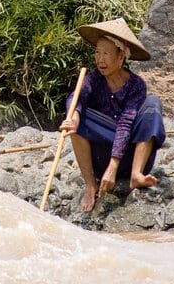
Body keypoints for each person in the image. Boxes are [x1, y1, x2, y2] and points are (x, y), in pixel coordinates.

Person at [59, 18, 166, 212]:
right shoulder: (93, 79)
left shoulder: (136, 85)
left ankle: (136, 175)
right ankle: (90, 184)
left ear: (121, 56)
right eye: (97, 52)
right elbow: (77, 96)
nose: (100, 59)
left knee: (153, 104)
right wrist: (73, 115)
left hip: (128, 156)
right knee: (78, 117)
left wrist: (113, 166)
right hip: (101, 158)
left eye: (106, 53)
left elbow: (126, 124)